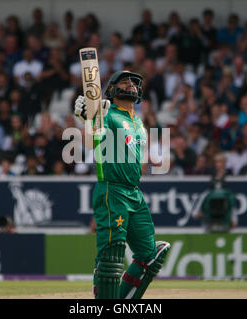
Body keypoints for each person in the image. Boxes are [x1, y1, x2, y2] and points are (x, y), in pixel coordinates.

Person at [74, 71, 170, 299]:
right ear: (112, 89)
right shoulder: (106, 113)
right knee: (112, 253)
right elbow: (89, 143)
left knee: (151, 254)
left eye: (134, 82)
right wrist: (88, 119)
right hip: (112, 189)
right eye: (124, 81)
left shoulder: (138, 121)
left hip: (134, 193)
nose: (131, 85)